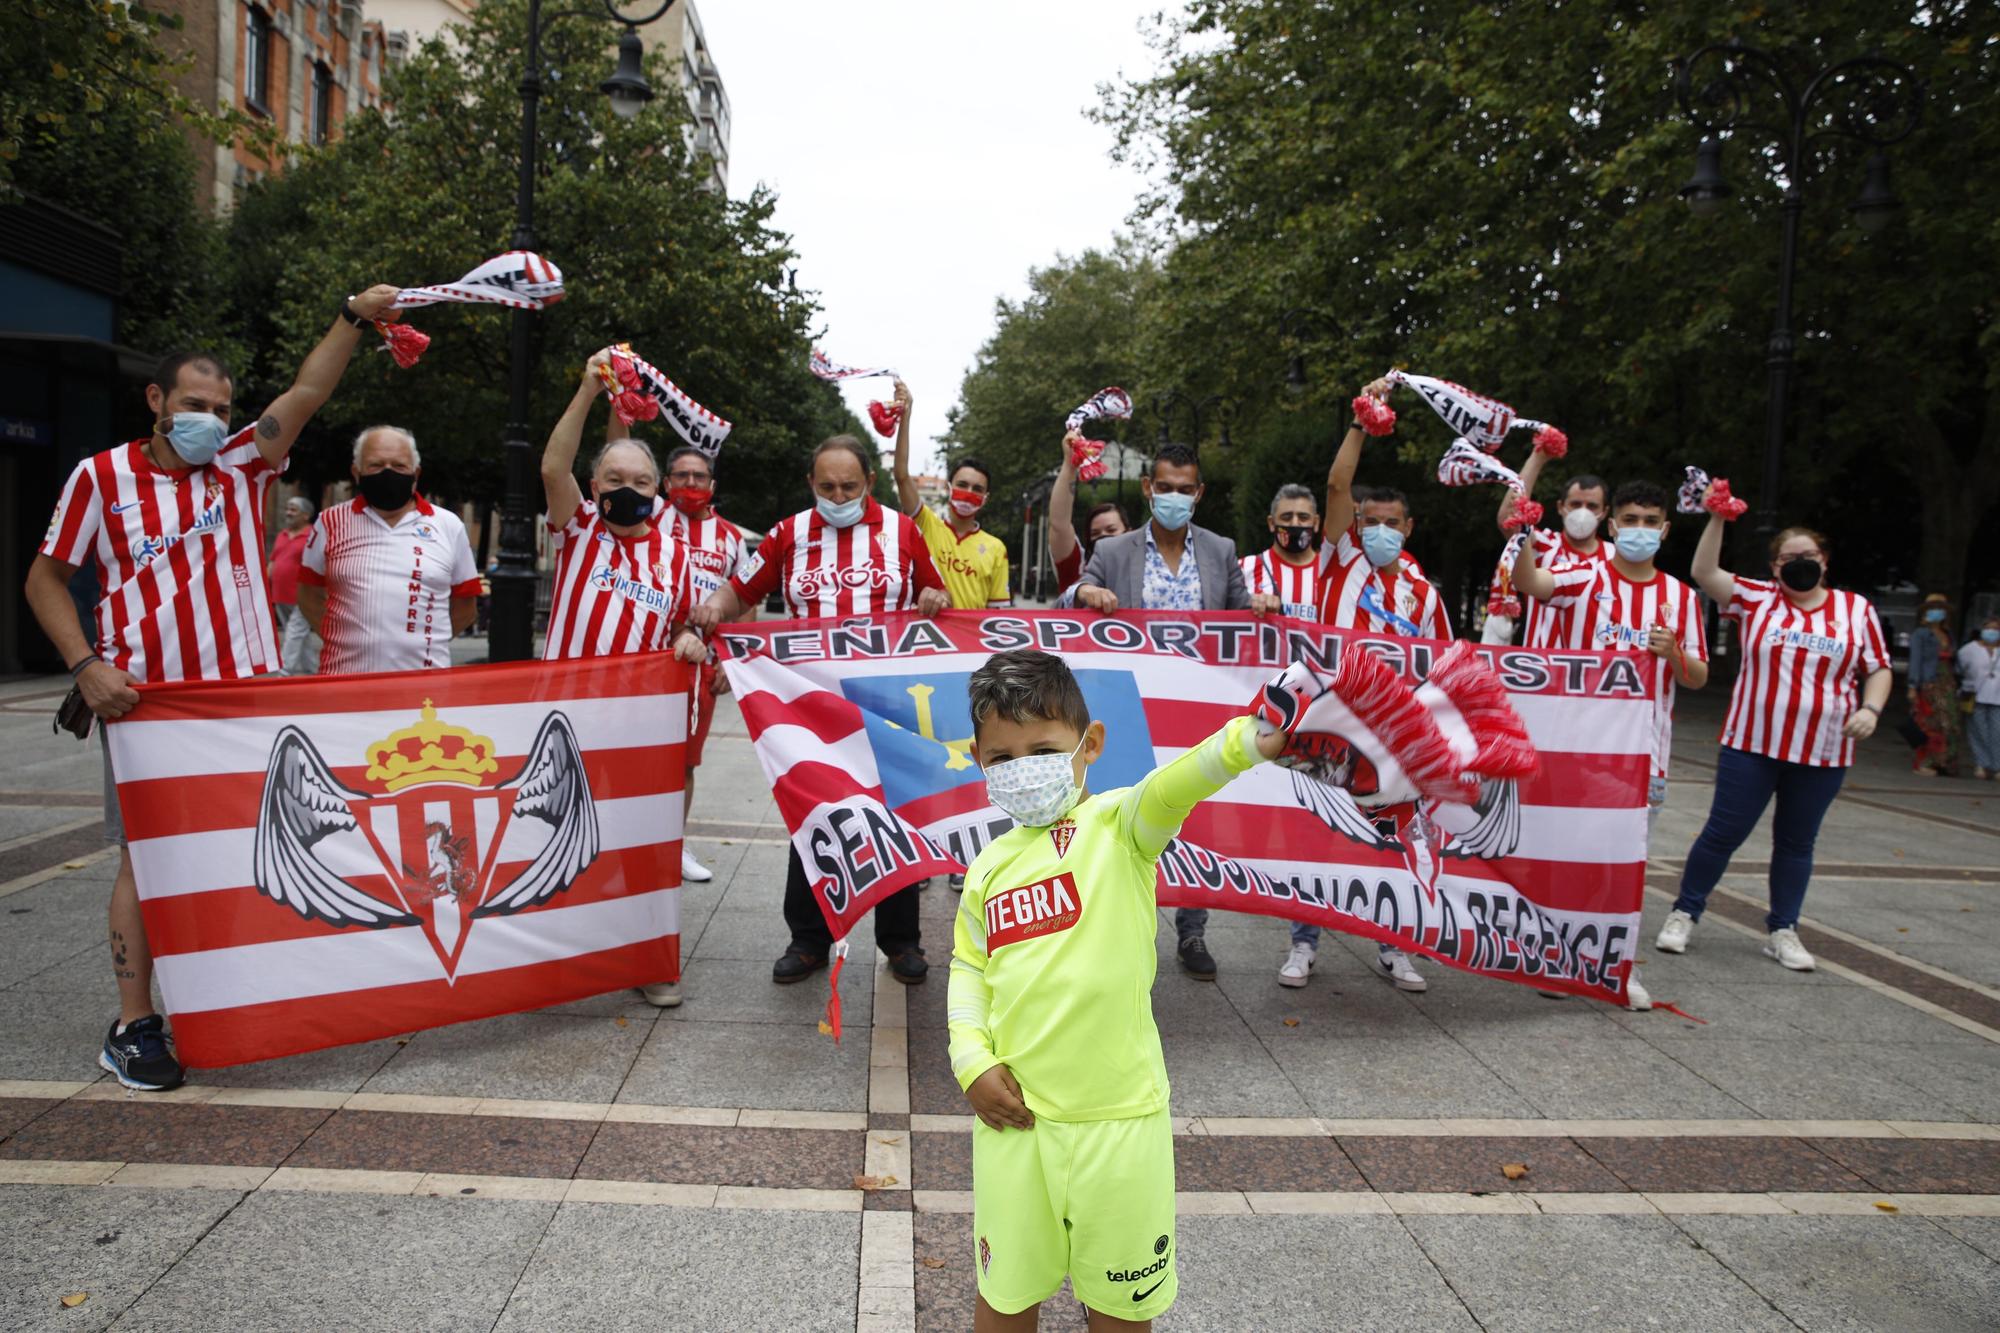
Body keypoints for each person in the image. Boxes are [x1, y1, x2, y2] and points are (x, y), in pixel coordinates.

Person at [23, 282, 402, 1091]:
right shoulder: (100, 479)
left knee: (247, 848)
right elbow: (46, 579)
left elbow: (306, 392)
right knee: (146, 862)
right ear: (156, 399)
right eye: (194, 401)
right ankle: (133, 1023)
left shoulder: (240, 465)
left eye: (222, 405)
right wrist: (86, 666)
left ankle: (228, 995)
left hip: (242, 700)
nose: (210, 417)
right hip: (147, 704)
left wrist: (350, 315)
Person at [949, 648, 1290, 1331]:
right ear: (978, 760)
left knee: (1120, 1308)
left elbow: (1174, 786)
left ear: (1090, 743)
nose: (1022, 769)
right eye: (1002, 757)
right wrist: (971, 1061)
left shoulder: (1121, 827)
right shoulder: (986, 867)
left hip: (1121, 1125)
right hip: (1018, 1128)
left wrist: (1248, 741)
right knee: (1004, 1296)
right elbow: (968, 970)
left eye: (1041, 748)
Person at [689, 434, 950, 987]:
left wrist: (934, 599)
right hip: (812, 709)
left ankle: (900, 940)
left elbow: (936, 597)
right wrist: (715, 605)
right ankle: (808, 940)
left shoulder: (903, 532)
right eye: (827, 486)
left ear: (869, 484)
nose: (838, 495)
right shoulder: (788, 534)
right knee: (813, 814)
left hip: (888, 705)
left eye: (849, 486)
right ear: (811, 484)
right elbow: (740, 590)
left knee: (897, 817)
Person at [543, 351, 709, 1007]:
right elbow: (553, 464)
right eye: (615, 476)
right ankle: (554, 958)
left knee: (642, 844)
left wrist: (691, 639)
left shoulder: (675, 553)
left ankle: (649, 960)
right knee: (559, 838)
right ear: (595, 481)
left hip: (638, 728)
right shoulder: (579, 526)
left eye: (641, 480)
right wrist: (588, 387)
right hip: (565, 721)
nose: (629, 488)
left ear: (657, 490)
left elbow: (680, 628)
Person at [1656, 514, 1893, 972]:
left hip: (1823, 750)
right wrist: (1718, 520)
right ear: (1774, 566)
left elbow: (1878, 666)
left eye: (1808, 557)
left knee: (1797, 842)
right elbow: (1705, 572)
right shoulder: (1759, 598)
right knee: (1723, 833)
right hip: (1751, 744)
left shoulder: (1854, 610)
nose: (1799, 564)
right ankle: (1684, 912)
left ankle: (1784, 929)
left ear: (1824, 561)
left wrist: (1871, 709)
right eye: (1789, 558)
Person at [1280, 387, 1446, 993]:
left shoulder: (1426, 595)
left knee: (1394, 838)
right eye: (1369, 522)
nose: (1378, 531)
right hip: (1330, 725)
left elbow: (1442, 670)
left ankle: (1395, 947)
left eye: (1390, 524)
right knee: (1317, 836)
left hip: (1395, 738)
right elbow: (1335, 484)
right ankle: (1303, 943)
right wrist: (1359, 422)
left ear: (1409, 528)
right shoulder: (1339, 560)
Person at [1074, 442, 1250, 980]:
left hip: (1196, 710)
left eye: (1185, 488)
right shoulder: (1115, 551)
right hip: (1132, 709)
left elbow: (1245, 624)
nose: (1174, 496)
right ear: (1148, 488)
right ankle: (1120, 926)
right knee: (1128, 815)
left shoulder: (1221, 551)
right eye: (1164, 486)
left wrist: (1263, 610)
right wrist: (1087, 593)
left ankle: (1191, 931)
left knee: (1193, 816)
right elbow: (1069, 600)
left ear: (1199, 493)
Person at [1512, 479, 1708, 836]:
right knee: (1560, 853)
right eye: (1630, 520)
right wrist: (1522, 533)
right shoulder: (1583, 578)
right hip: (1576, 748)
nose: (1640, 529)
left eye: (1650, 522)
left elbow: (1697, 677)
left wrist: (1674, 654)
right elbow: (1528, 582)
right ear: (1613, 526)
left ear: (1664, 530)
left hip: (1644, 758)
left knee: (1623, 867)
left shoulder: (1681, 597)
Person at [295, 427, 481, 674]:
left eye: (399, 465)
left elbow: (466, 607)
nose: (388, 472)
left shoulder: (448, 526)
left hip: (423, 685)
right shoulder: (330, 522)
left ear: (416, 473)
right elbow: (308, 595)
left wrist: (423, 644)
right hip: (343, 681)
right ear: (356, 472)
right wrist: (343, 641)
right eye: (376, 465)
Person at [658, 443, 750, 885]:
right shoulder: (648, 520)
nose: (690, 485)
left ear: (712, 485)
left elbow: (746, 598)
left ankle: (673, 844)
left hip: (701, 667)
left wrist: (736, 664)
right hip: (646, 660)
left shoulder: (731, 537)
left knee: (684, 763)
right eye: (681, 476)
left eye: (698, 477)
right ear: (665, 482)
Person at [890, 381, 1012, 611]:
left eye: (977, 489)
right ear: (949, 488)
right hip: (925, 639)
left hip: (971, 645)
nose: (968, 493)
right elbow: (902, 476)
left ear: (986, 497)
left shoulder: (996, 548)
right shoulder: (926, 524)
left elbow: (998, 616)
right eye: (962, 485)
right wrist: (906, 415)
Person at [1480, 464, 1608, 646]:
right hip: (1541, 668)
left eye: (1592, 506)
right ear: (1560, 507)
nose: (1583, 512)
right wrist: (1539, 456)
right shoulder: (1544, 545)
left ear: (1604, 512)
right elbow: (1509, 521)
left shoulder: (1614, 557)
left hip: (1591, 669)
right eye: (1576, 504)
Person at [1047, 430, 1128, 601]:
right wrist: (1070, 465)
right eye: (1095, 534)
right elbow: (1059, 525)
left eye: (1111, 529)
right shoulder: (1078, 565)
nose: (1104, 537)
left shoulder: (1145, 568)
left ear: (1129, 532)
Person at [1240, 483, 1322, 618]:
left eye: (1303, 517)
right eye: (1286, 517)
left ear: (1316, 522)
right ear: (1271, 523)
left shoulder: (1329, 574)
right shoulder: (1245, 568)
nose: (1295, 523)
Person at [1907, 593, 1965, 778]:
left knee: (1951, 724)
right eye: (1933, 609)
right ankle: (1924, 762)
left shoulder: (1948, 634)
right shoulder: (1921, 634)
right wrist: (1912, 686)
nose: (1937, 612)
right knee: (1930, 723)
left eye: (1941, 609)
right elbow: (1915, 660)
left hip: (1947, 683)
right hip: (1929, 683)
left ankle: (1946, 763)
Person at [269, 495, 315, 674]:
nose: (288, 512)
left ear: (306, 515)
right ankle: (312, 669)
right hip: (280, 594)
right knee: (299, 633)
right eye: (288, 508)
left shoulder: (312, 535)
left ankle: (285, 671)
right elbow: (273, 561)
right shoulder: (282, 535)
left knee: (295, 631)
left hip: (302, 594)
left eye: (293, 509)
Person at [1959, 617, 2000, 780]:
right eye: (1989, 628)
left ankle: (1997, 766)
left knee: (1997, 732)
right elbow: (1961, 668)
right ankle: (1981, 763)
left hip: (1997, 697)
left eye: (1996, 629)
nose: (1992, 632)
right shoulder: (1969, 650)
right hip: (1975, 695)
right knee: (1978, 731)